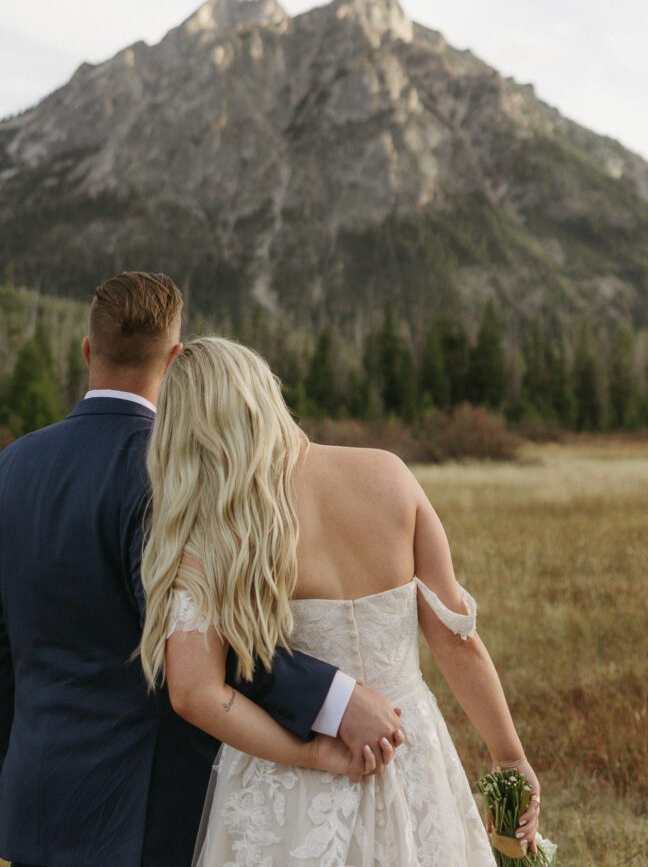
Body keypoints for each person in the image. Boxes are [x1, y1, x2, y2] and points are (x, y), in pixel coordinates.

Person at [0, 272, 401, 867]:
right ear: (175, 358)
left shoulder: (12, 465)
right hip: (142, 807)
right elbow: (200, 637)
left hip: (33, 796)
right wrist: (337, 700)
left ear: (88, 351)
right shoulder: (169, 473)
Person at [140, 337, 542, 867]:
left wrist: (308, 752)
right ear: (267, 394)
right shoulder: (389, 474)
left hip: (292, 777)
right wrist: (510, 758)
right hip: (410, 748)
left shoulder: (217, 531)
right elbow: (455, 641)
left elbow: (194, 693)